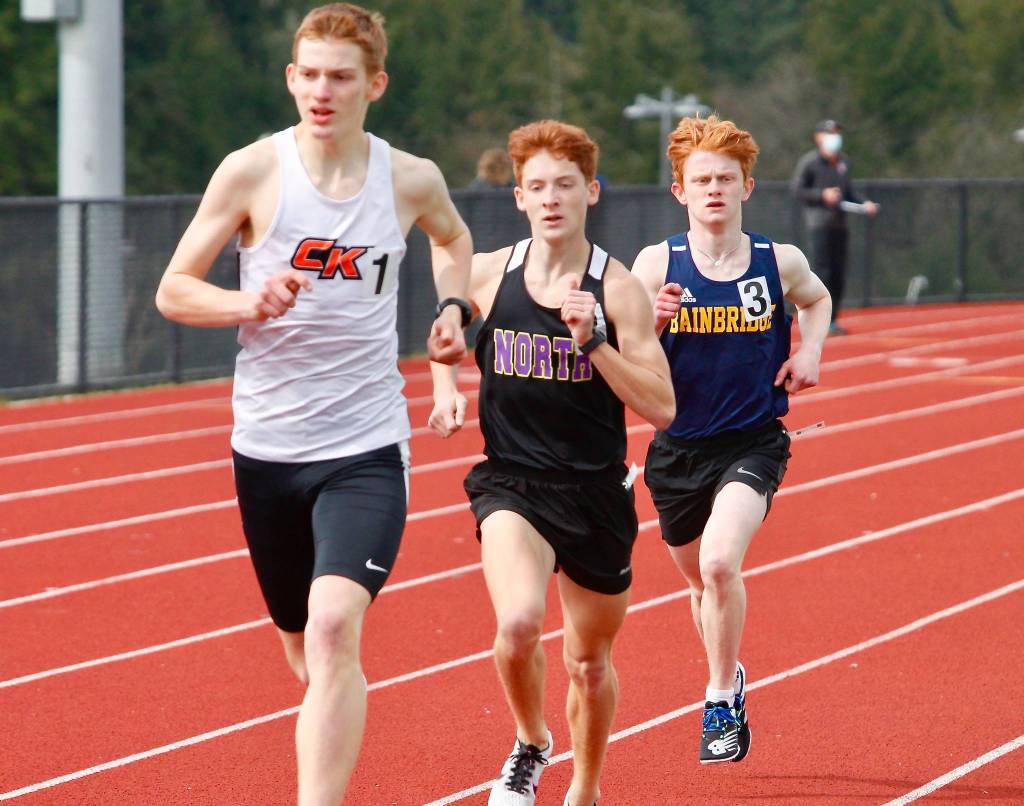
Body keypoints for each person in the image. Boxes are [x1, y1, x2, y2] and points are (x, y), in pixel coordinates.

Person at [154, 4, 472, 803]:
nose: (321, 92)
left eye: (340, 77)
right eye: (309, 75)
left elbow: (454, 240)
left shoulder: (410, 178)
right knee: (303, 646)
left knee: (334, 628)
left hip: (364, 446)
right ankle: (326, 710)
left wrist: (452, 310)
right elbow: (174, 290)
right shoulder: (252, 172)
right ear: (291, 78)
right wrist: (248, 303)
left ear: (375, 85)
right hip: (267, 450)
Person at [429, 120, 675, 806]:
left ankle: (587, 788)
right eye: (536, 187)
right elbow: (443, 341)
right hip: (511, 482)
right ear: (518, 197)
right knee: (516, 626)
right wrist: (446, 386)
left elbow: (662, 408)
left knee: (590, 664)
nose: (551, 198)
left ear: (590, 192)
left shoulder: (618, 290)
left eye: (565, 185)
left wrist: (594, 342)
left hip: (595, 493)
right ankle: (532, 742)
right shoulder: (487, 273)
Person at [631, 115, 831, 765]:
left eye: (725, 178)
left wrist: (810, 353)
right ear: (680, 193)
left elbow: (817, 299)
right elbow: (624, 353)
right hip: (677, 451)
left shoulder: (779, 262)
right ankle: (730, 671)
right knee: (700, 584)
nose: (713, 188)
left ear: (747, 187)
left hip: (752, 443)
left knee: (720, 564)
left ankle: (719, 698)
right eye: (701, 180)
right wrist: (649, 323)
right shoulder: (658, 263)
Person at [791, 118, 878, 335]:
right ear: (818, 137)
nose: (834, 138)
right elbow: (798, 190)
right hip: (819, 225)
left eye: (837, 133)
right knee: (823, 271)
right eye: (830, 133)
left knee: (839, 273)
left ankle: (833, 317)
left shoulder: (844, 162)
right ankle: (816, 318)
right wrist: (822, 195)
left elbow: (848, 193)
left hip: (841, 225)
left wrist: (863, 203)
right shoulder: (810, 163)